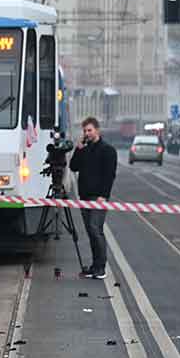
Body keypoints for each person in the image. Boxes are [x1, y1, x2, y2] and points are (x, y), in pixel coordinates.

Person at [69, 116, 118, 279]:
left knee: (95, 229)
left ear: (97, 130)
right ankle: (95, 265)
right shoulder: (85, 149)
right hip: (84, 196)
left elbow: (109, 176)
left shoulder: (108, 150)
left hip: (98, 197)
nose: (87, 133)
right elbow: (73, 166)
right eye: (84, 131)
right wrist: (78, 148)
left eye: (89, 130)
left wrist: (104, 196)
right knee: (90, 231)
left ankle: (101, 267)